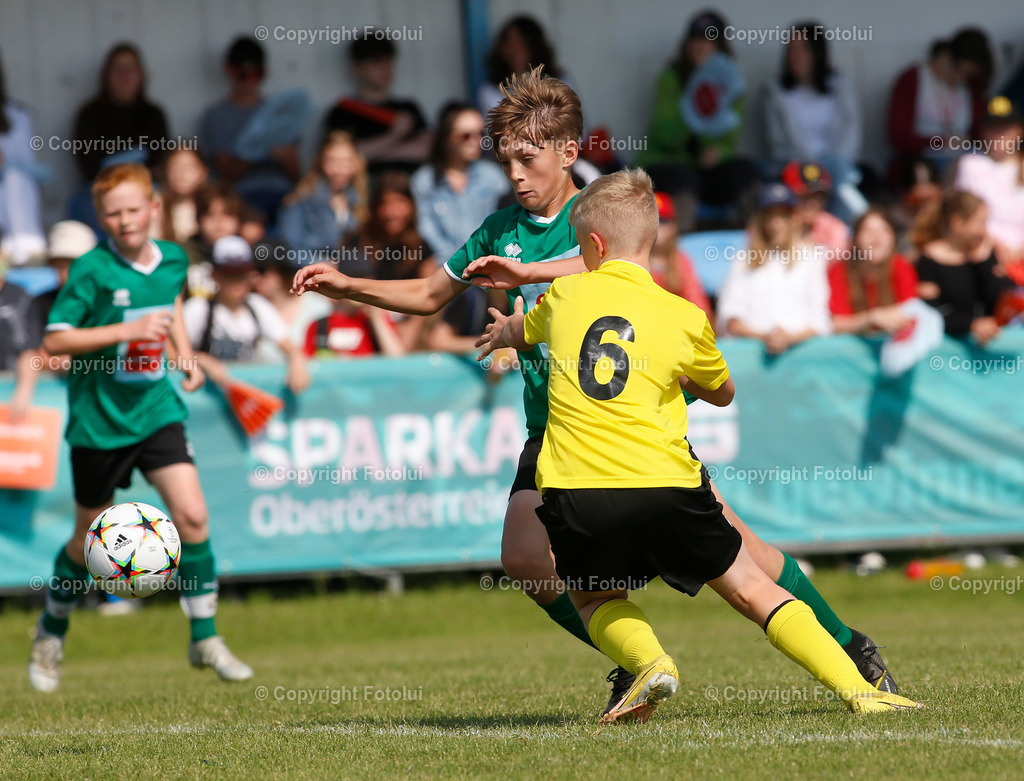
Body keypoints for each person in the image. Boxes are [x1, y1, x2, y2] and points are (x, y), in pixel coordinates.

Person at [293, 67, 899, 715]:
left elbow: (611, 270)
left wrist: (526, 275)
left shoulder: (605, 211)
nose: (517, 174)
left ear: (568, 153)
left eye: (528, 158)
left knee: (743, 554)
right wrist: (349, 287)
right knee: (524, 557)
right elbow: (428, 295)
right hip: (552, 428)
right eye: (508, 162)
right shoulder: (502, 228)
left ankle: (848, 642)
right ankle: (635, 663)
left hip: (627, 419)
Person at [473, 169, 920, 721]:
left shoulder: (564, 293)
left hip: (577, 488)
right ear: (653, 241)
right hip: (666, 482)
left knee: (593, 599)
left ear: (591, 245)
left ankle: (651, 661)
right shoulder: (685, 315)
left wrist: (502, 334)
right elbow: (723, 392)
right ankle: (859, 690)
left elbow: (523, 331)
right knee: (752, 588)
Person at [28, 164, 252, 692]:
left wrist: (184, 355)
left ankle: (205, 636)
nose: (125, 221)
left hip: (155, 409)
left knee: (193, 516)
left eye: (133, 209)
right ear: (101, 216)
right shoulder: (91, 270)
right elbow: (55, 342)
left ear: (154, 208)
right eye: (113, 213)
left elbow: (169, 301)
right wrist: (125, 330)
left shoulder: (174, 258)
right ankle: (52, 628)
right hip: (99, 421)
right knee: (87, 540)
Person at [636, 10, 759, 233]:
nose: (700, 46)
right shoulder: (671, 78)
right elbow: (666, 134)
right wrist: (696, 91)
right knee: (685, 180)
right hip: (669, 164)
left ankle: (750, 243)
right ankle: (681, 249)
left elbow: (730, 135)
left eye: (708, 41)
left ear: (720, 47)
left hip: (707, 170)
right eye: (696, 39)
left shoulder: (731, 83)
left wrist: (717, 153)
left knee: (745, 171)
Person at [763, 21, 867, 223]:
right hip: (795, 165)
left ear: (818, 52)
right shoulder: (773, 92)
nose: (796, 55)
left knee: (840, 180)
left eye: (803, 48)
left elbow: (851, 131)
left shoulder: (840, 84)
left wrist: (831, 164)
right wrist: (813, 165)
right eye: (791, 48)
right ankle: (851, 229)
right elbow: (775, 144)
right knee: (824, 183)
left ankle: (846, 237)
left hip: (837, 166)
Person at [182, 235, 309, 394]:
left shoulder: (257, 306)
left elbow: (289, 346)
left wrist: (296, 360)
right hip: (203, 403)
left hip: (244, 402)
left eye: (242, 272)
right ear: (215, 275)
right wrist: (202, 360)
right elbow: (172, 355)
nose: (237, 280)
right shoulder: (198, 308)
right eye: (230, 273)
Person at [717, 184, 832, 353]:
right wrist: (765, 337)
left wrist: (789, 339)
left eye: (783, 216)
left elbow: (820, 320)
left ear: (794, 219)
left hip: (802, 356)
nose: (776, 224)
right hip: (752, 353)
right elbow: (729, 317)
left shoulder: (812, 257)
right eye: (770, 217)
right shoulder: (743, 259)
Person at [199, 36, 300, 220]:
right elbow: (226, 176)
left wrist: (285, 157)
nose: (251, 81)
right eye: (243, 74)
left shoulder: (279, 113)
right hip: (242, 198)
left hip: (284, 195)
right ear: (229, 71)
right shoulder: (216, 116)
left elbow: (296, 175)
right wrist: (256, 149)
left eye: (257, 73)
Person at [10, 222, 98, 421]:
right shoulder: (40, 302)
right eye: (59, 263)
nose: (65, 271)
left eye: (73, 262)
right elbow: (33, 355)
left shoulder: (107, 301)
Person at [411, 102, 510, 266]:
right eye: (465, 136)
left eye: (480, 134)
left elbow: (504, 225)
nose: (475, 141)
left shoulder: (493, 177)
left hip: (489, 264)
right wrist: (456, 263)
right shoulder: (423, 181)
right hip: (445, 267)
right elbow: (426, 230)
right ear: (446, 138)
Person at [323, 29, 431, 176]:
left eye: (389, 61)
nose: (385, 68)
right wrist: (395, 136)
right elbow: (342, 158)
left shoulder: (408, 108)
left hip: (408, 186)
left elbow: (427, 149)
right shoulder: (343, 112)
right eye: (376, 62)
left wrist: (372, 154)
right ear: (358, 67)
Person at [911, 190, 1011, 343]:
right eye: (979, 222)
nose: (984, 230)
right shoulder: (928, 261)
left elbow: (1004, 299)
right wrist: (971, 325)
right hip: (947, 348)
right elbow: (931, 311)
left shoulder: (984, 254)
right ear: (957, 222)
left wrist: (984, 265)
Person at [73, 43, 171, 181]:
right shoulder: (90, 114)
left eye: (130, 69)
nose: (124, 75)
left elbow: (160, 164)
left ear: (141, 74)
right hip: (103, 187)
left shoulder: (154, 114)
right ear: (106, 75)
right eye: (118, 69)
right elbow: (90, 167)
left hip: (145, 187)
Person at [887, 39, 978, 182]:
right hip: (924, 159)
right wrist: (941, 142)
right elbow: (898, 136)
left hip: (962, 157)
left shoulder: (968, 87)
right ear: (944, 56)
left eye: (967, 74)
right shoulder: (913, 79)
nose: (959, 78)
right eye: (956, 69)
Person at [953, 97, 1024, 281]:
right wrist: (999, 248)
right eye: (994, 128)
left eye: (1005, 128)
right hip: (987, 253)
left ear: (1019, 130)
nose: (999, 135)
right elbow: (966, 213)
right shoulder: (971, 164)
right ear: (983, 131)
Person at [279, 131, 368, 263]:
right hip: (313, 274)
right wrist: (325, 267)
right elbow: (291, 249)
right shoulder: (301, 201)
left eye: (347, 161)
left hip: (349, 275)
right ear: (321, 162)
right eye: (333, 161)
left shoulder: (360, 201)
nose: (340, 169)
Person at [829, 208, 918, 334]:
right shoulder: (839, 270)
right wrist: (871, 318)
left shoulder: (901, 266)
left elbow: (910, 314)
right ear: (855, 240)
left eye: (884, 230)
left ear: (894, 239)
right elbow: (836, 324)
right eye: (868, 231)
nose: (876, 238)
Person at [0, 47, 47, 264]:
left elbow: (33, 173)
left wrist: (6, 165)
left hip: (18, 237)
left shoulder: (17, 114)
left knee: (15, 178)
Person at [477, 15, 567, 114]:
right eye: (509, 43)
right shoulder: (490, 90)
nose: (514, 50)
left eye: (521, 42)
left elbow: (575, 121)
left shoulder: (561, 81)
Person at [649, 192, 711, 319]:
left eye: (662, 220)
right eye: (651, 220)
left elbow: (699, 308)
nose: (656, 227)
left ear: (673, 226)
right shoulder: (632, 258)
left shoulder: (680, 261)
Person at [182, 182, 246, 299]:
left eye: (227, 214)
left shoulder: (247, 255)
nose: (218, 221)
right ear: (198, 219)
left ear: (239, 220)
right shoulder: (182, 255)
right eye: (210, 214)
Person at [781, 160, 850, 260]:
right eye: (806, 196)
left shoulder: (834, 230)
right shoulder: (775, 228)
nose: (814, 203)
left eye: (819, 196)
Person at [153, 147, 208, 243]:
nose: (181, 173)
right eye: (175, 167)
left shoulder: (213, 204)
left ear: (203, 172)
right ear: (165, 171)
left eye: (189, 167)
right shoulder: (154, 205)